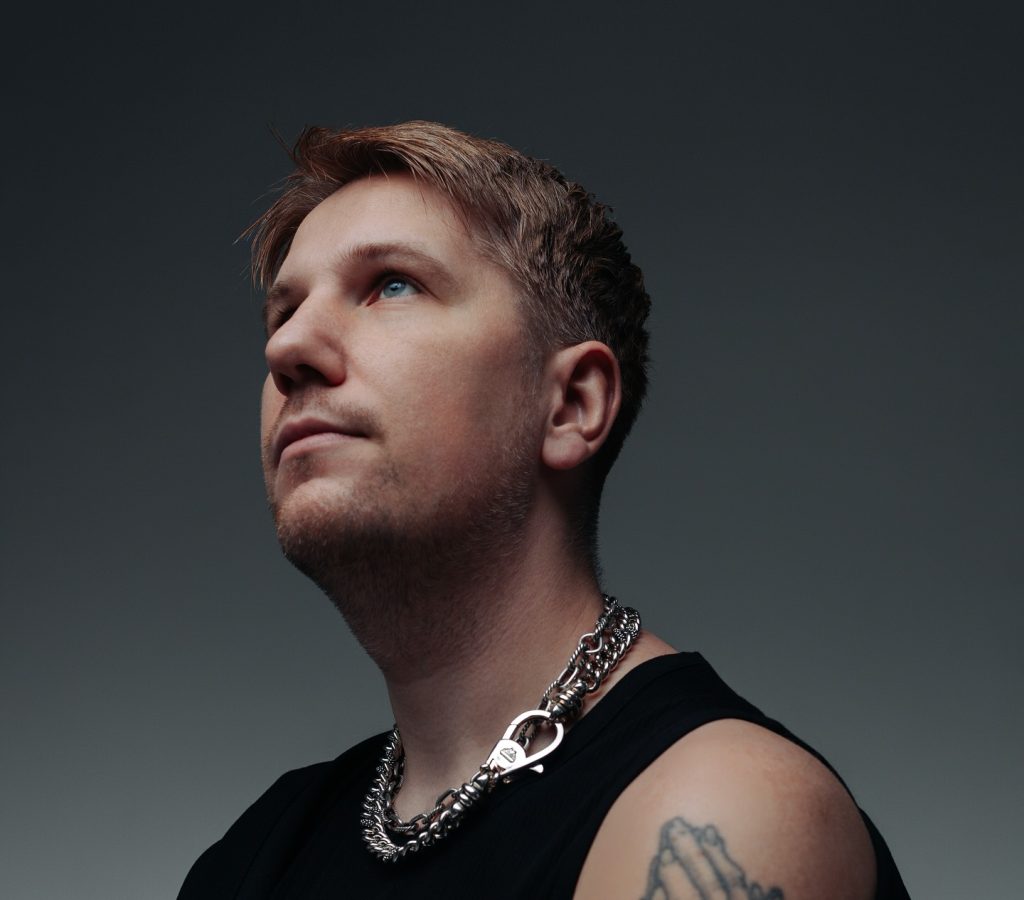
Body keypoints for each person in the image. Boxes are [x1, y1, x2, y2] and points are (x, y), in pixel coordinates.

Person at [178, 121, 909, 899]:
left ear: (570, 405)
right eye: (283, 312)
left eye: (392, 285)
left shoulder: (721, 810)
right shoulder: (260, 850)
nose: (287, 350)